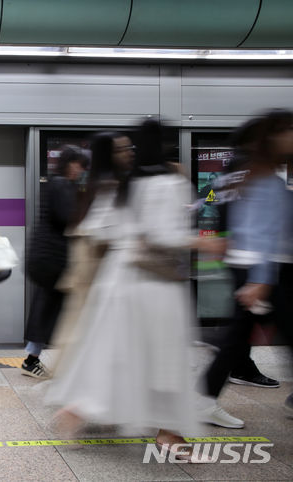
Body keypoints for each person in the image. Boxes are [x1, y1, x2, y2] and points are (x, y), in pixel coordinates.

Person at [45, 122, 217, 461]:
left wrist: (125, 241)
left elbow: (94, 227)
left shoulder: (123, 185)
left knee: (119, 357)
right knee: (161, 359)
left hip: (118, 282)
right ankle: (169, 433)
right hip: (156, 285)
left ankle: (80, 411)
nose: (127, 153)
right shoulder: (166, 182)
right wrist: (204, 243)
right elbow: (164, 235)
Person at [199, 109, 293, 427]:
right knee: (241, 335)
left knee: (236, 336)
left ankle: (206, 396)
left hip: (244, 262)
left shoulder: (233, 178)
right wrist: (261, 278)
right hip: (260, 266)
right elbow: (262, 232)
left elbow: (209, 202)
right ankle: (206, 396)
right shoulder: (261, 179)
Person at [21, 146, 87, 378]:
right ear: (70, 164)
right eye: (78, 165)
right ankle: (35, 359)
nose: (80, 170)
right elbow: (69, 219)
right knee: (54, 308)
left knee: (47, 306)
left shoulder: (55, 184)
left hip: (47, 258)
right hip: (53, 260)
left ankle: (34, 356)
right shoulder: (61, 185)